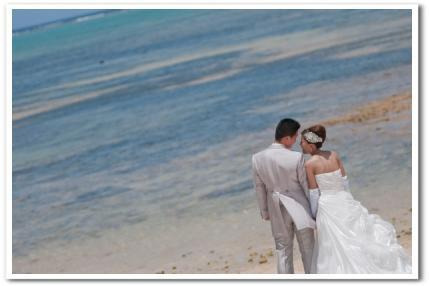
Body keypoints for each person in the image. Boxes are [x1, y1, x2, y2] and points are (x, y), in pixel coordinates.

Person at [300, 124, 412, 274]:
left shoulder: (309, 164)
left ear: (311, 144)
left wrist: (313, 214)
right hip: (344, 199)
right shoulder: (334, 155)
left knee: (333, 246)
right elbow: (344, 180)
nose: (300, 144)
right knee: (358, 238)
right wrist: (349, 200)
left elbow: (314, 193)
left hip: (328, 206)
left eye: (302, 141)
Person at [251, 118, 315, 274]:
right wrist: (315, 211)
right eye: (295, 137)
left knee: (282, 250)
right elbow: (305, 186)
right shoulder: (296, 157)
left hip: (276, 209)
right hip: (300, 207)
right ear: (287, 138)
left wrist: (265, 212)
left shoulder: (257, 158)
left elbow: (259, 188)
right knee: (308, 250)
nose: (296, 140)